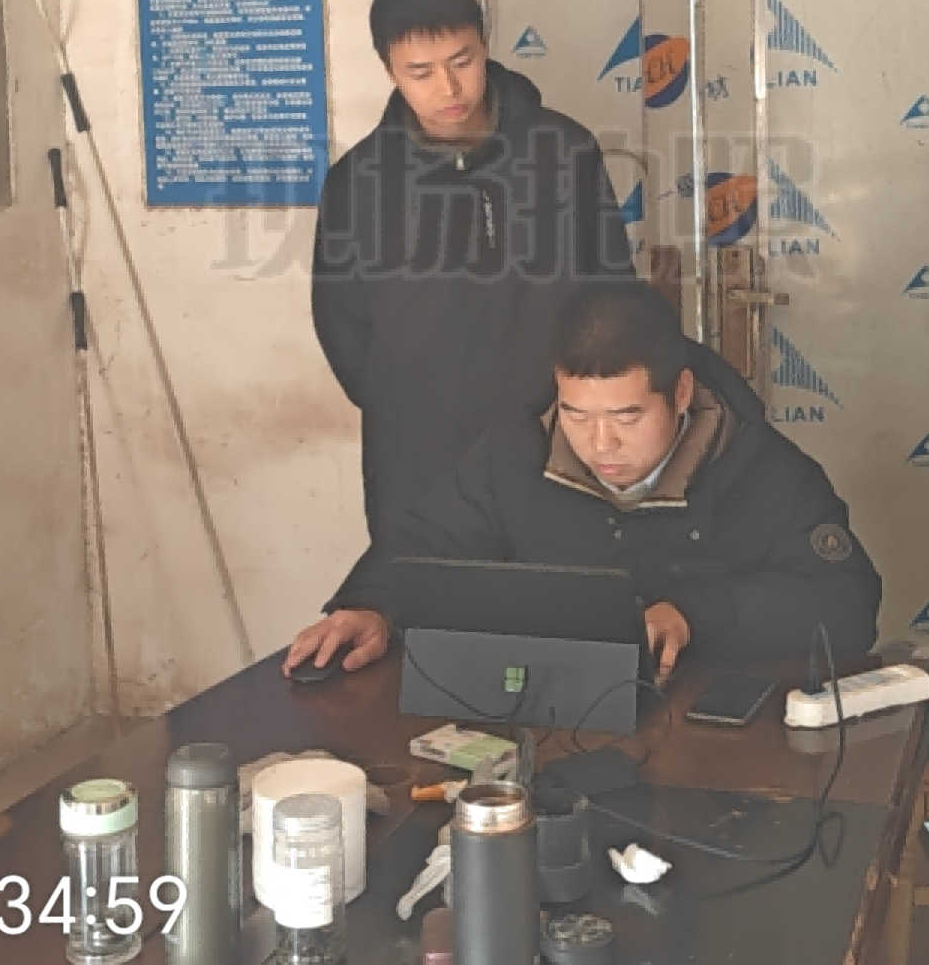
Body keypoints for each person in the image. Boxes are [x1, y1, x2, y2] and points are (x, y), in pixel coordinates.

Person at [286, 280, 881, 680]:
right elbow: (426, 544)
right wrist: (372, 607)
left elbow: (846, 604)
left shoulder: (763, 469)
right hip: (547, 720)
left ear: (680, 393)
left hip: (709, 734)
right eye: (576, 414)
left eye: (627, 417)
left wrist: (694, 614)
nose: (600, 445)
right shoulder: (515, 453)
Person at [311, 0, 633, 542]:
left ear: (484, 46)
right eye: (420, 73)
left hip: (556, 450)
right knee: (428, 591)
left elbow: (611, 292)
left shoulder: (563, 153)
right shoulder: (358, 182)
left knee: (560, 589)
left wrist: (578, 416)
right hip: (417, 461)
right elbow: (341, 322)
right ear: (390, 70)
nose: (448, 89)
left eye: (461, 62)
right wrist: (405, 406)